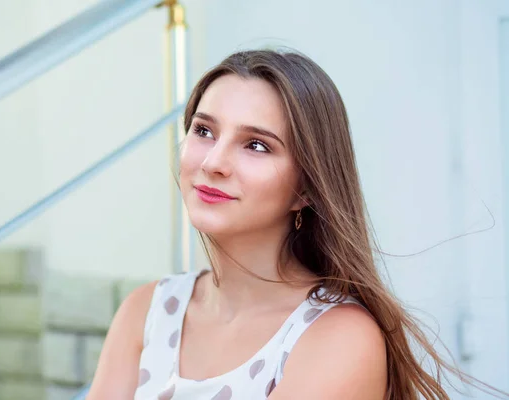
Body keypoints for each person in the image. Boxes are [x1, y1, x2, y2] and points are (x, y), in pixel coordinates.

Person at [87, 49, 504, 399]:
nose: (213, 163)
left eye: (256, 145)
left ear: (306, 187)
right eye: (204, 130)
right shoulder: (147, 311)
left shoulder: (336, 338)